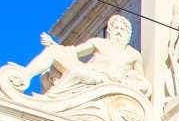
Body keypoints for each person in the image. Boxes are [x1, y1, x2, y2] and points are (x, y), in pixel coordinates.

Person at [11, 15, 151, 98]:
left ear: (128, 34)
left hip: (105, 80)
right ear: (109, 30)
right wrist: (54, 45)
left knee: (76, 73)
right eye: (116, 28)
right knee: (54, 51)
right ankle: (24, 76)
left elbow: (141, 81)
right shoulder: (98, 42)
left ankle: (52, 98)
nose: (119, 32)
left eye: (123, 29)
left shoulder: (133, 55)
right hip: (90, 71)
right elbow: (73, 52)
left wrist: (126, 82)